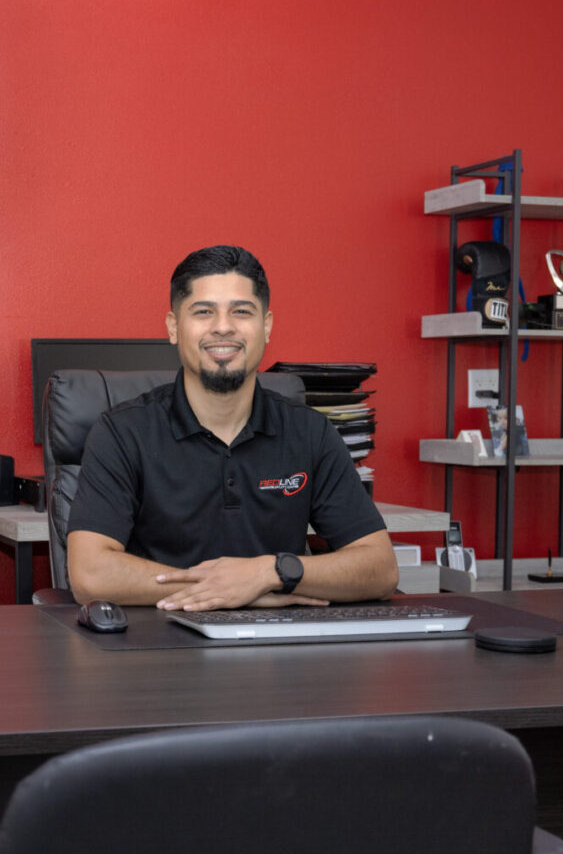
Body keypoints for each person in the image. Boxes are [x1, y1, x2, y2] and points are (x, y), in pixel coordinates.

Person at [66, 245, 397, 610]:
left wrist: (267, 574)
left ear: (266, 326)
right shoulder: (122, 432)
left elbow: (380, 569)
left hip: (280, 654)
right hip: (158, 646)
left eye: (241, 312)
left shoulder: (310, 432)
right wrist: (228, 593)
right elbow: (90, 575)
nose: (223, 327)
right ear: (174, 327)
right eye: (203, 312)